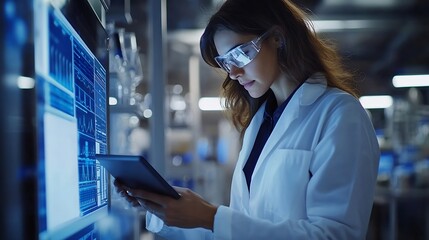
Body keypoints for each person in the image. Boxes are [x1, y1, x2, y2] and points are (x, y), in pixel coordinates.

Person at [115, 0, 380, 239]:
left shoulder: (341, 114)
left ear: (277, 37)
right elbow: (241, 231)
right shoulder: (259, 123)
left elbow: (334, 235)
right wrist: (163, 209)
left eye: (240, 54)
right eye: (225, 62)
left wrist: (210, 216)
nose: (233, 73)